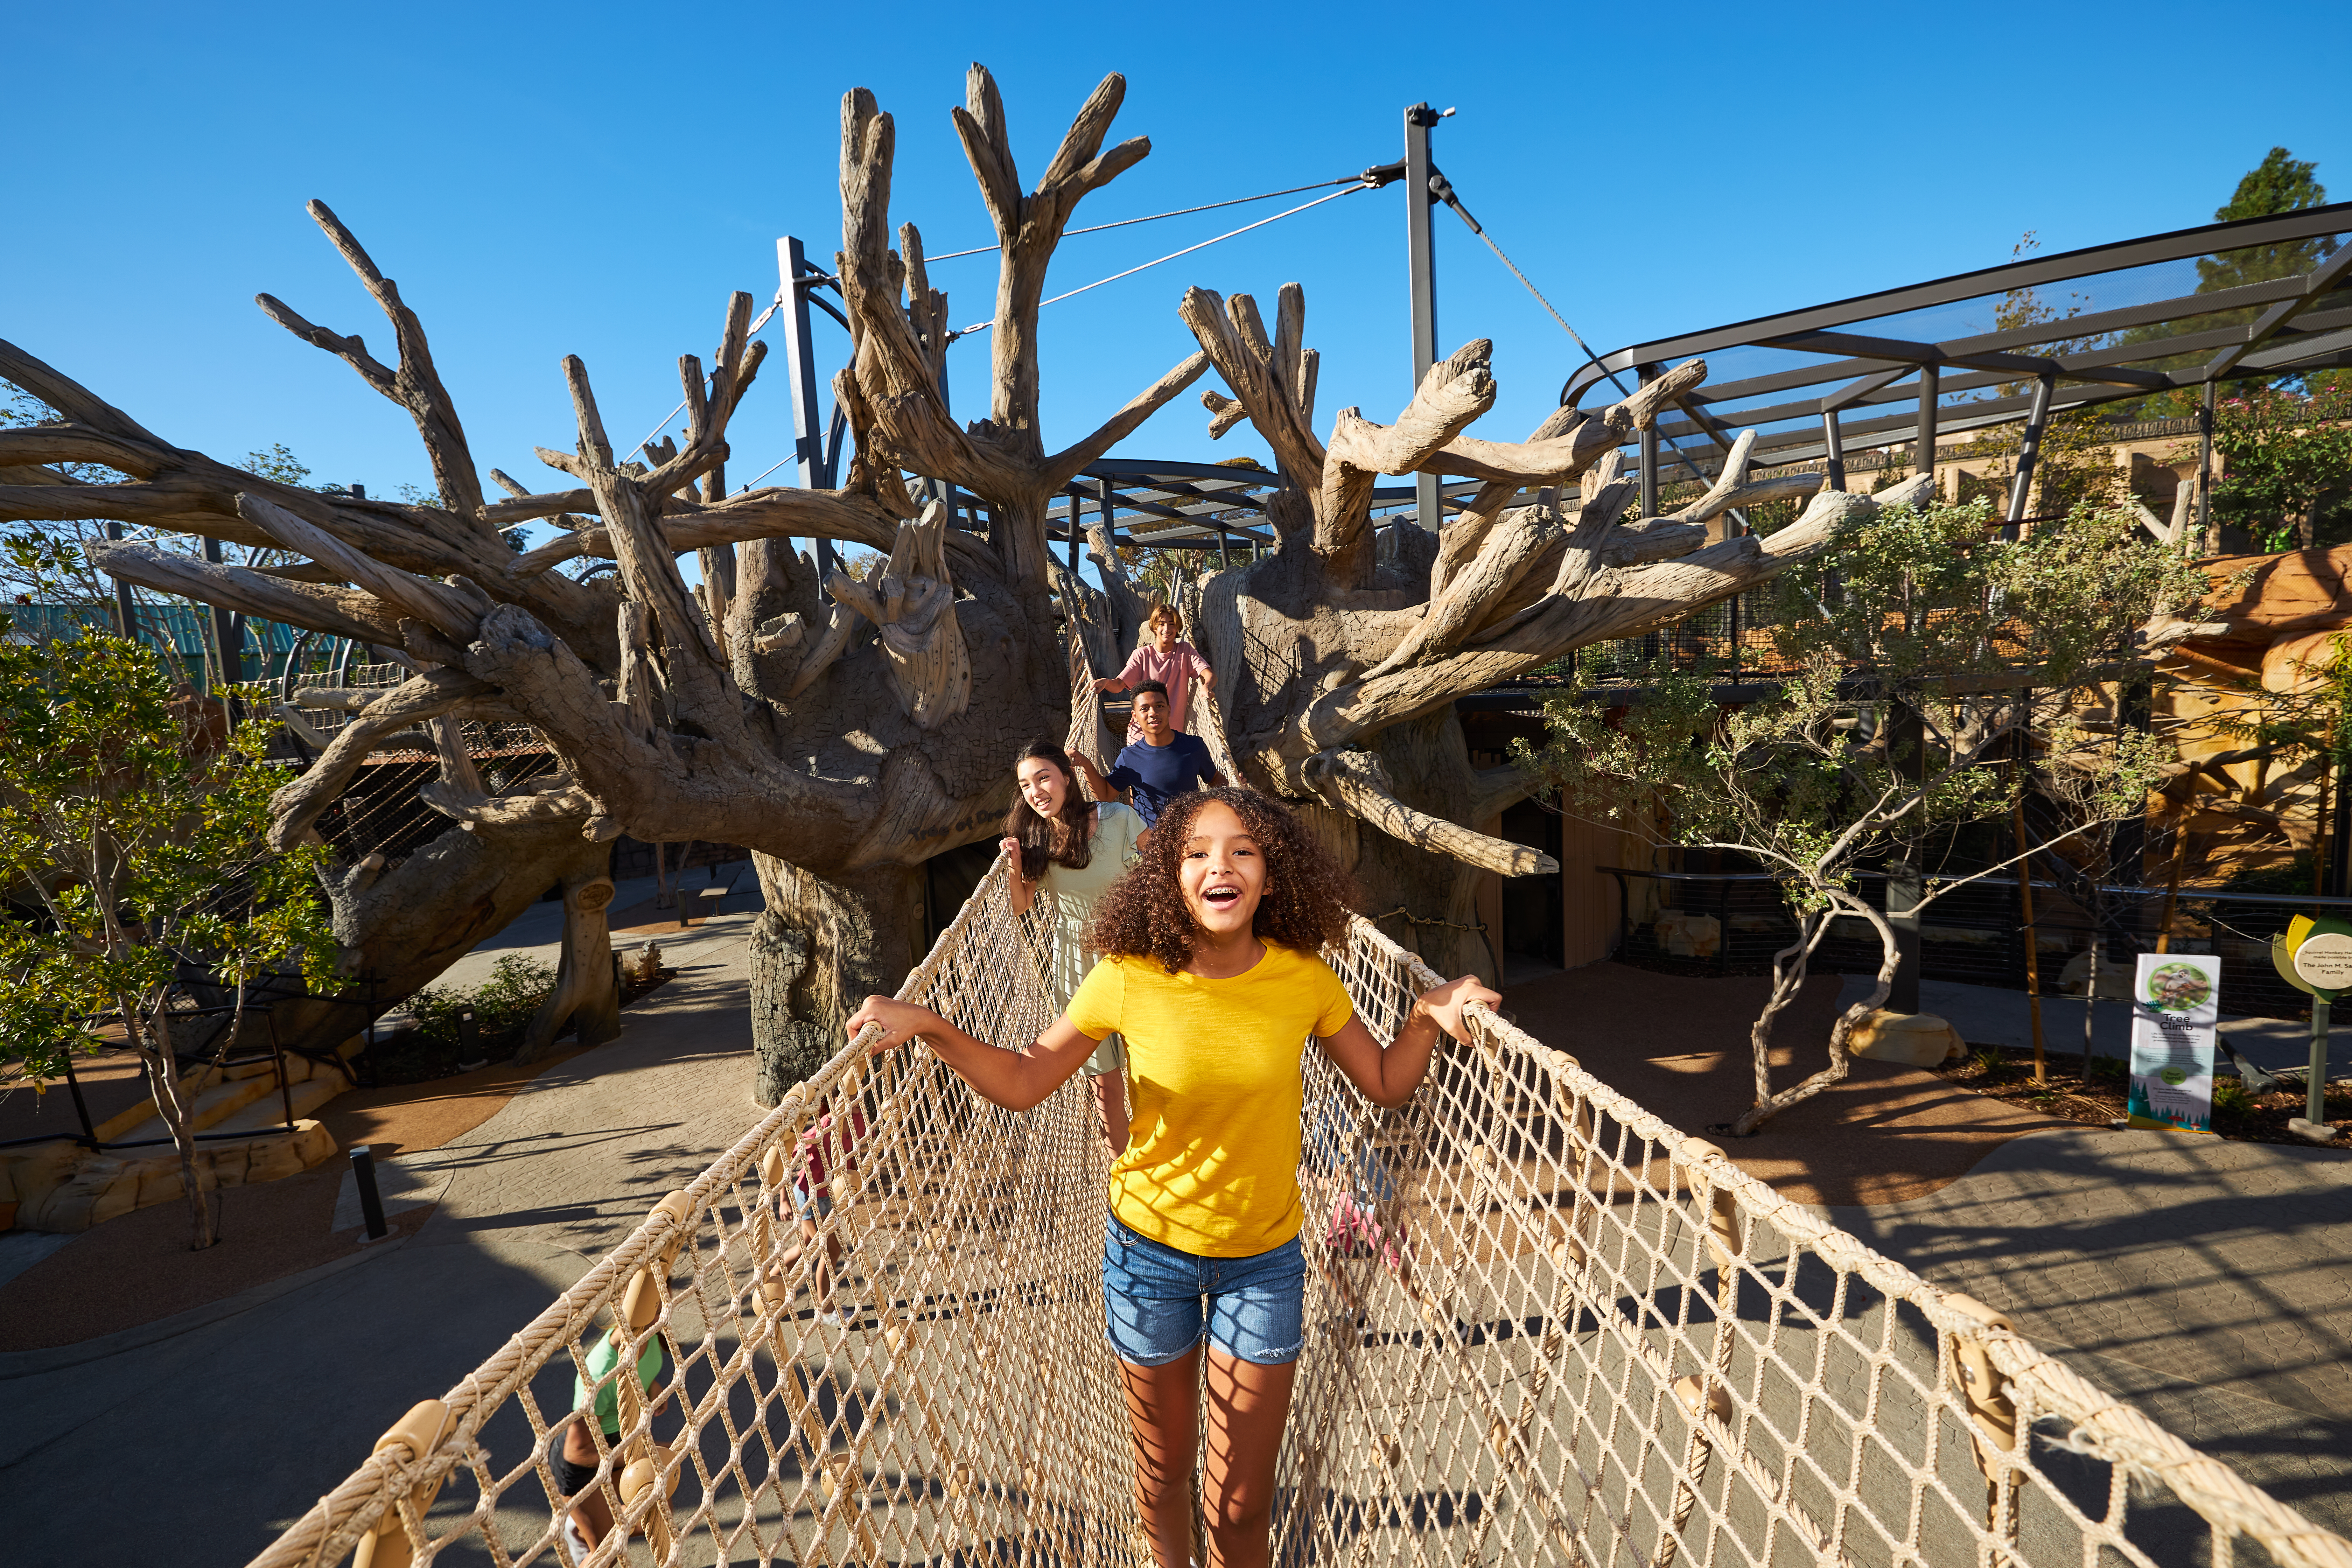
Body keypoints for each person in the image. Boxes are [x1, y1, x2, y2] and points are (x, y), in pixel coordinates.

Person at [848, 789, 1498, 1568]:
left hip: (1262, 1262)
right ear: (1170, 874)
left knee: (1237, 1509)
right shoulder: (1126, 976)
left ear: (1271, 873)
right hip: (1147, 1255)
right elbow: (1025, 1079)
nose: (1219, 865)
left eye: (1242, 850)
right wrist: (931, 1025)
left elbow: (1387, 1082)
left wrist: (1426, 1015)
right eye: (1197, 852)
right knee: (1162, 1487)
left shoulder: (1305, 980)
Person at [1001, 739, 1147, 1154]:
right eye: (1026, 785)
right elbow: (1021, 905)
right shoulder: (1034, 839)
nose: (1035, 791)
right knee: (1107, 1089)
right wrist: (1014, 868)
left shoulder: (1119, 817)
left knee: (1153, 1071)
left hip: (1135, 953)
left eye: (1043, 777)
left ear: (1067, 776)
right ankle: (1124, 1179)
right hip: (1078, 965)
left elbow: (1161, 872)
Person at [550, 1311, 669, 1562]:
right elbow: (576, 1452)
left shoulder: (650, 1331)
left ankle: (580, 1523)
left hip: (618, 1443)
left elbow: (642, 1373)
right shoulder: (600, 1371)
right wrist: (631, 1456)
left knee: (660, 1496)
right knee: (607, 1554)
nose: (658, 1306)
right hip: (584, 1464)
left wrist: (651, 1387)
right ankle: (582, 1524)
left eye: (663, 1295)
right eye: (652, 1299)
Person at [1097, 681, 1223, 830]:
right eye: (1145, 709)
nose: (1153, 713)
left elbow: (1215, 778)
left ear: (1169, 710)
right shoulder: (1129, 757)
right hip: (1151, 846)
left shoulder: (1194, 746)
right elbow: (1106, 795)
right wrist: (1085, 764)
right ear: (1135, 716)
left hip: (1192, 836)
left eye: (1160, 706)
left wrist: (1229, 796)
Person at [1094, 602, 1214, 746]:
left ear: (1178, 628)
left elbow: (1209, 675)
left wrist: (1207, 686)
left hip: (1171, 738)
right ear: (1154, 627)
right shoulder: (1142, 655)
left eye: (1172, 624)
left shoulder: (1185, 651)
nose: (1167, 629)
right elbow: (1119, 684)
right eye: (1162, 624)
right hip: (1141, 737)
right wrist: (1106, 682)